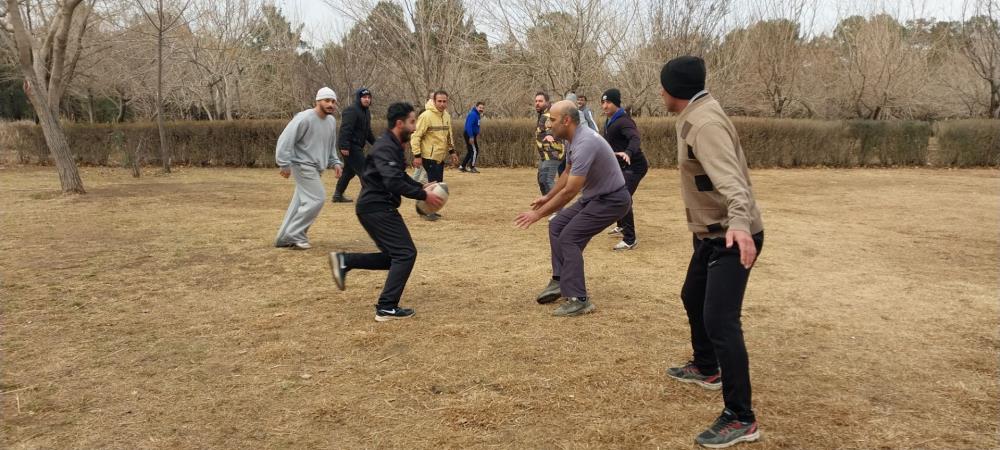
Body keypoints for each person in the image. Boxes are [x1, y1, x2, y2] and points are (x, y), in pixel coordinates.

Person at [659, 56, 765, 449]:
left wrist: (739, 223)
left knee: (721, 322)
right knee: (692, 296)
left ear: (674, 90)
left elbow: (733, 182)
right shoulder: (697, 110)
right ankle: (707, 369)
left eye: (663, 86)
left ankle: (741, 417)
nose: (660, 93)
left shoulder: (704, 124)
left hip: (731, 235)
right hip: (709, 233)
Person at [328, 102, 445, 322]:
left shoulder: (391, 144)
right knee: (406, 254)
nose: (414, 128)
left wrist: (421, 187)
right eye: (412, 122)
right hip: (376, 208)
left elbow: (398, 176)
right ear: (399, 123)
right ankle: (386, 307)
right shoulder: (385, 147)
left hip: (377, 207)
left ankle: (345, 261)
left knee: (394, 257)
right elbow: (392, 182)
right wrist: (424, 196)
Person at [515, 100, 630, 317]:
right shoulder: (572, 139)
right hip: (595, 197)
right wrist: (547, 196)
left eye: (553, 120)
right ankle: (560, 281)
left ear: (567, 120)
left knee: (570, 237)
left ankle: (579, 299)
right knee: (557, 225)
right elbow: (567, 172)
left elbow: (570, 191)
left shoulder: (585, 142)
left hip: (612, 200)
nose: (549, 125)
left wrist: (538, 214)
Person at [274, 87, 343, 250]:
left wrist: (335, 162)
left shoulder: (331, 121)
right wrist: (284, 163)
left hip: (316, 168)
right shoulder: (304, 118)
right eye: (327, 101)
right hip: (302, 165)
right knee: (316, 199)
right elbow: (286, 140)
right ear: (318, 101)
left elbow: (330, 145)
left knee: (299, 203)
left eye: (333, 102)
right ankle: (295, 234)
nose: (331, 104)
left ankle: (283, 238)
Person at [600, 88, 648, 251]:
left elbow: (635, 138)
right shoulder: (610, 120)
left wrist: (628, 152)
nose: (605, 106)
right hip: (621, 166)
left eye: (608, 102)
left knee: (623, 197)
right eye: (603, 102)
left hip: (635, 166)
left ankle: (630, 239)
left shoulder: (624, 121)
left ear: (616, 103)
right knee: (615, 193)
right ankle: (621, 225)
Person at [411, 90, 458, 221]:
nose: (442, 104)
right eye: (439, 101)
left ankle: (430, 210)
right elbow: (415, 136)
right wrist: (417, 155)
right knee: (432, 186)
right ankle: (424, 212)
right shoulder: (426, 116)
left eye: (444, 101)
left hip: (440, 157)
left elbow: (449, 136)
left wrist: (452, 152)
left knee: (437, 185)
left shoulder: (447, 116)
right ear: (434, 101)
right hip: (428, 157)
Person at [332, 88, 375, 203]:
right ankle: (365, 198)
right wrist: (344, 146)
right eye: (364, 97)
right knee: (365, 171)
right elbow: (345, 129)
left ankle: (337, 195)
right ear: (359, 98)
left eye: (368, 97)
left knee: (348, 172)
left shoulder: (366, 112)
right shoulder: (352, 110)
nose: (367, 99)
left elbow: (367, 132)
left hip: (356, 146)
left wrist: (376, 144)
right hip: (350, 147)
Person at [534, 92, 564, 196]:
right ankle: (548, 207)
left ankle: (558, 210)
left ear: (547, 102)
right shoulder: (542, 115)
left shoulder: (552, 114)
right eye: (536, 101)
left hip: (552, 153)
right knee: (542, 181)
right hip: (545, 155)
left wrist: (552, 135)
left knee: (547, 180)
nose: (537, 103)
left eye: (540, 101)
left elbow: (561, 126)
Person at [460, 102, 484, 173]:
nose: (481, 109)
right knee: (475, 150)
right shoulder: (473, 114)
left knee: (471, 151)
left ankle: (462, 166)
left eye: (482, 108)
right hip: (469, 135)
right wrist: (471, 136)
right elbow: (468, 126)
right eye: (480, 107)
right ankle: (472, 167)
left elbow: (475, 126)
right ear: (476, 107)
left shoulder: (477, 115)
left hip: (472, 135)